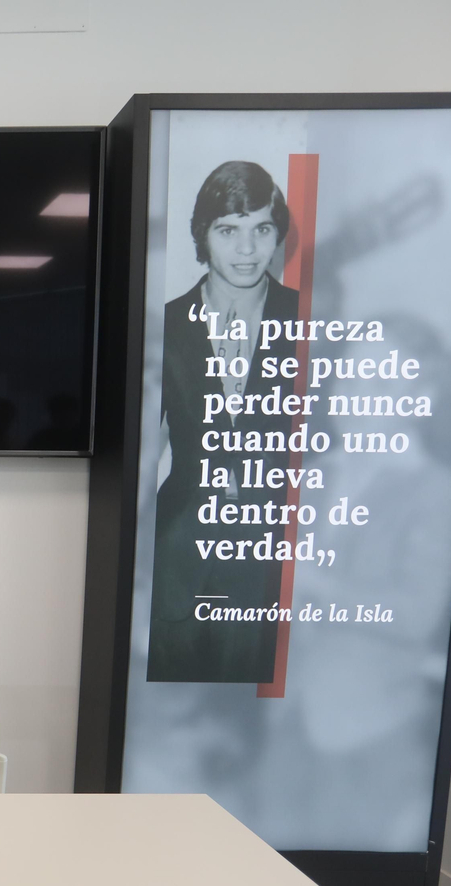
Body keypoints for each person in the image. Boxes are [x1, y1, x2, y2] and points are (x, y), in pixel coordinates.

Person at [148, 160, 299, 683]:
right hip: (176, 549)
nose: (247, 249)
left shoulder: (309, 322)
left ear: (277, 234)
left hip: (269, 553)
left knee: (249, 718)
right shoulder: (162, 325)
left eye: (261, 229)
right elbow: (143, 456)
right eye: (228, 230)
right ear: (203, 236)